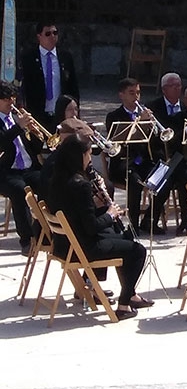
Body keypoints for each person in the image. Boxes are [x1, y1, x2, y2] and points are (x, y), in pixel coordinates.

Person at [47, 134, 151, 320]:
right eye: (88, 154)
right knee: (138, 250)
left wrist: (98, 205)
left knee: (125, 238)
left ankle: (130, 294)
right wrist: (110, 214)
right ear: (79, 157)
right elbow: (91, 227)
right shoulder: (81, 185)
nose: (90, 159)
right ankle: (124, 304)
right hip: (84, 248)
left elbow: (78, 212)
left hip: (64, 245)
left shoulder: (57, 179)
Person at [105, 78, 169, 234]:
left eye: (138, 93)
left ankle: (148, 221)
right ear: (121, 95)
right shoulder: (114, 116)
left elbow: (154, 143)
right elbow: (119, 141)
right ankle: (133, 225)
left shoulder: (146, 113)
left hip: (143, 161)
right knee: (135, 181)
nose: (136, 97)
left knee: (165, 178)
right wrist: (140, 122)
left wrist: (153, 128)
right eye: (131, 93)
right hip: (123, 161)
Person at [0, 81, 42, 254]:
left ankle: (46, 232)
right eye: (6, 99)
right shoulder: (14, 123)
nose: (11, 102)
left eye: (13, 98)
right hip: (5, 172)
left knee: (52, 182)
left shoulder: (17, 118)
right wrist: (19, 127)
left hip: (28, 168)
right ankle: (27, 239)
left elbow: (36, 149)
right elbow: (2, 142)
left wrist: (33, 133)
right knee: (20, 190)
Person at [146, 72, 187, 235]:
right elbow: (151, 138)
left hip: (181, 156)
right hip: (160, 156)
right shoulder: (153, 107)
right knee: (168, 178)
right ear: (164, 89)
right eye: (173, 86)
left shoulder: (186, 107)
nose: (178, 88)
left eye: (179, 85)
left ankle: (186, 221)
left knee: (185, 177)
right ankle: (150, 220)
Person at [19, 21, 80, 132]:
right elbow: (24, 86)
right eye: (48, 34)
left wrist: (75, 112)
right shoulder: (28, 58)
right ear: (39, 36)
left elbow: (73, 86)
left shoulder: (65, 57)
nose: (52, 36)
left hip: (60, 114)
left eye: (55, 33)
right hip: (37, 113)